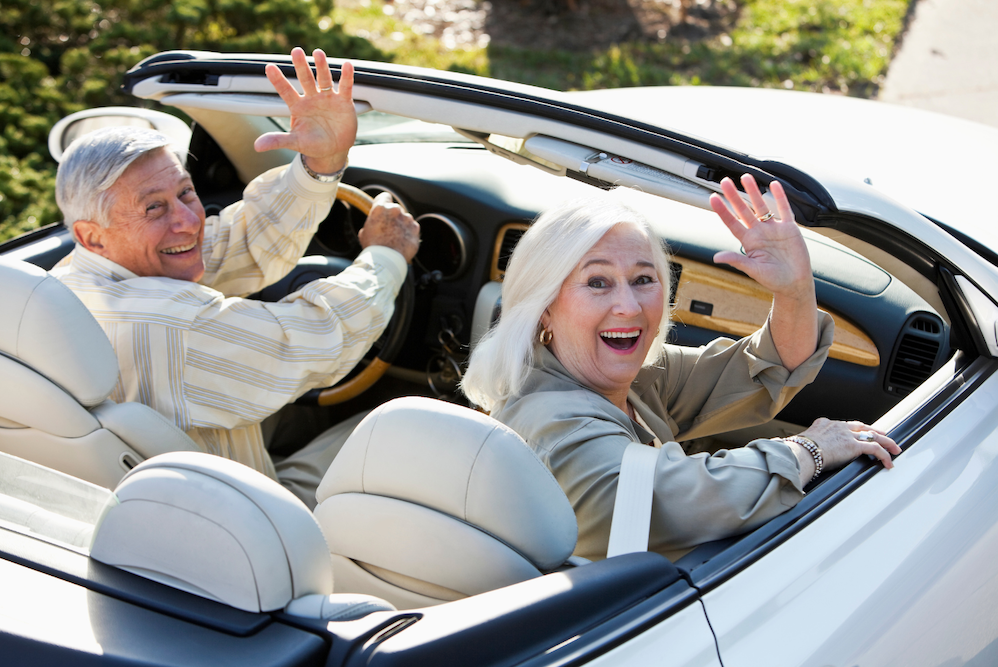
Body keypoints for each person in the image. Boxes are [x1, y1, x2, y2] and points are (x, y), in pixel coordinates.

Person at [462, 175, 900, 561]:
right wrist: (811, 449)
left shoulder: (629, 381)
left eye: (643, 279)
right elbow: (675, 500)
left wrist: (795, 290)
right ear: (544, 310)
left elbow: (765, 366)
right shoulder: (555, 423)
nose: (628, 306)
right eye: (597, 282)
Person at [53, 47, 420, 508]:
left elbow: (238, 243)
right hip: (249, 521)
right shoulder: (172, 324)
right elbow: (320, 337)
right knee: (409, 426)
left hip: (160, 502)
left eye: (186, 192)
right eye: (154, 207)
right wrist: (387, 258)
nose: (188, 220)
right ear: (92, 234)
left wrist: (319, 167)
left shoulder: (73, 279)